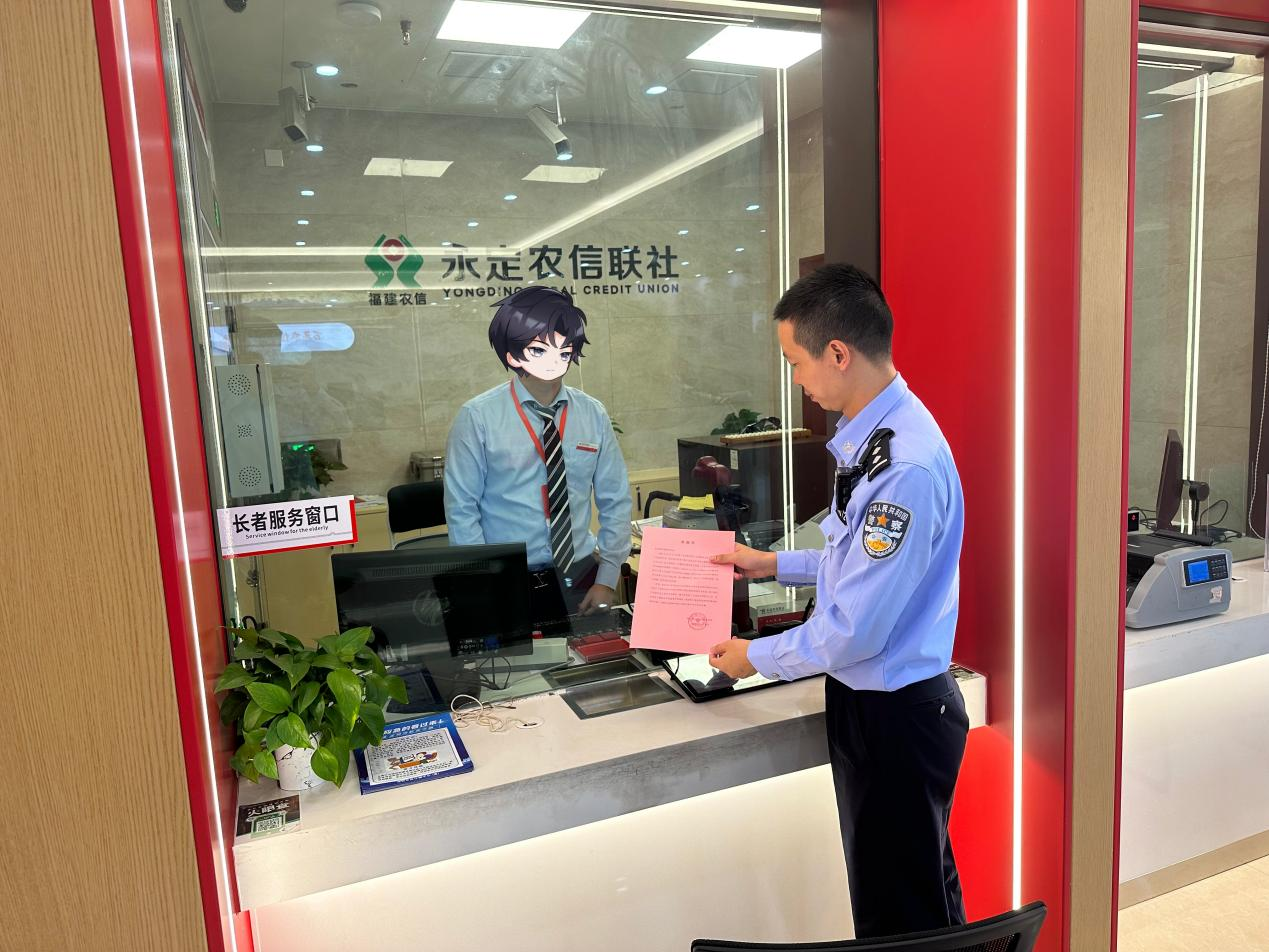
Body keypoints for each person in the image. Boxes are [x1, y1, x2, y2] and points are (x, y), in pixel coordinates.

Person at [708, 264, 968, 939]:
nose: (796, 379)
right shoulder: (876, 437)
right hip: (881, 708)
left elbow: (854, 630)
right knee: (917, 901)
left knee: (899, 920)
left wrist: (755, 657)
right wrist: (773, 564)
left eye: (795, 362)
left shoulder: (901, 465)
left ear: (838, 353)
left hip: (895, 716)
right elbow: (856, 563)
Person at [444, 287, 631, 624]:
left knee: (589, 654)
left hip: (581, 574)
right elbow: (462, 509)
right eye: (538, 349)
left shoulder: (592, 414)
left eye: (563, 350)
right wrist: (482, 583)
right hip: (506, 578)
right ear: (513, 354)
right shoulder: (478, 417)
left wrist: (607, 578)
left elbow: (614, 499)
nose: (553, 360)